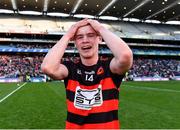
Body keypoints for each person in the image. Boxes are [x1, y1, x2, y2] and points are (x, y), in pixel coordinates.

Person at [41, 19, 133, 129]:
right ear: (75, 42)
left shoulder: (109, 68)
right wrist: (68, 35)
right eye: (79, 37)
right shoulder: (70, 69)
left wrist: (100, 28)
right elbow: (47, 67)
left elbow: (125, 56)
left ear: (99, 38)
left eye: (90, 35)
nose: (85, 40)